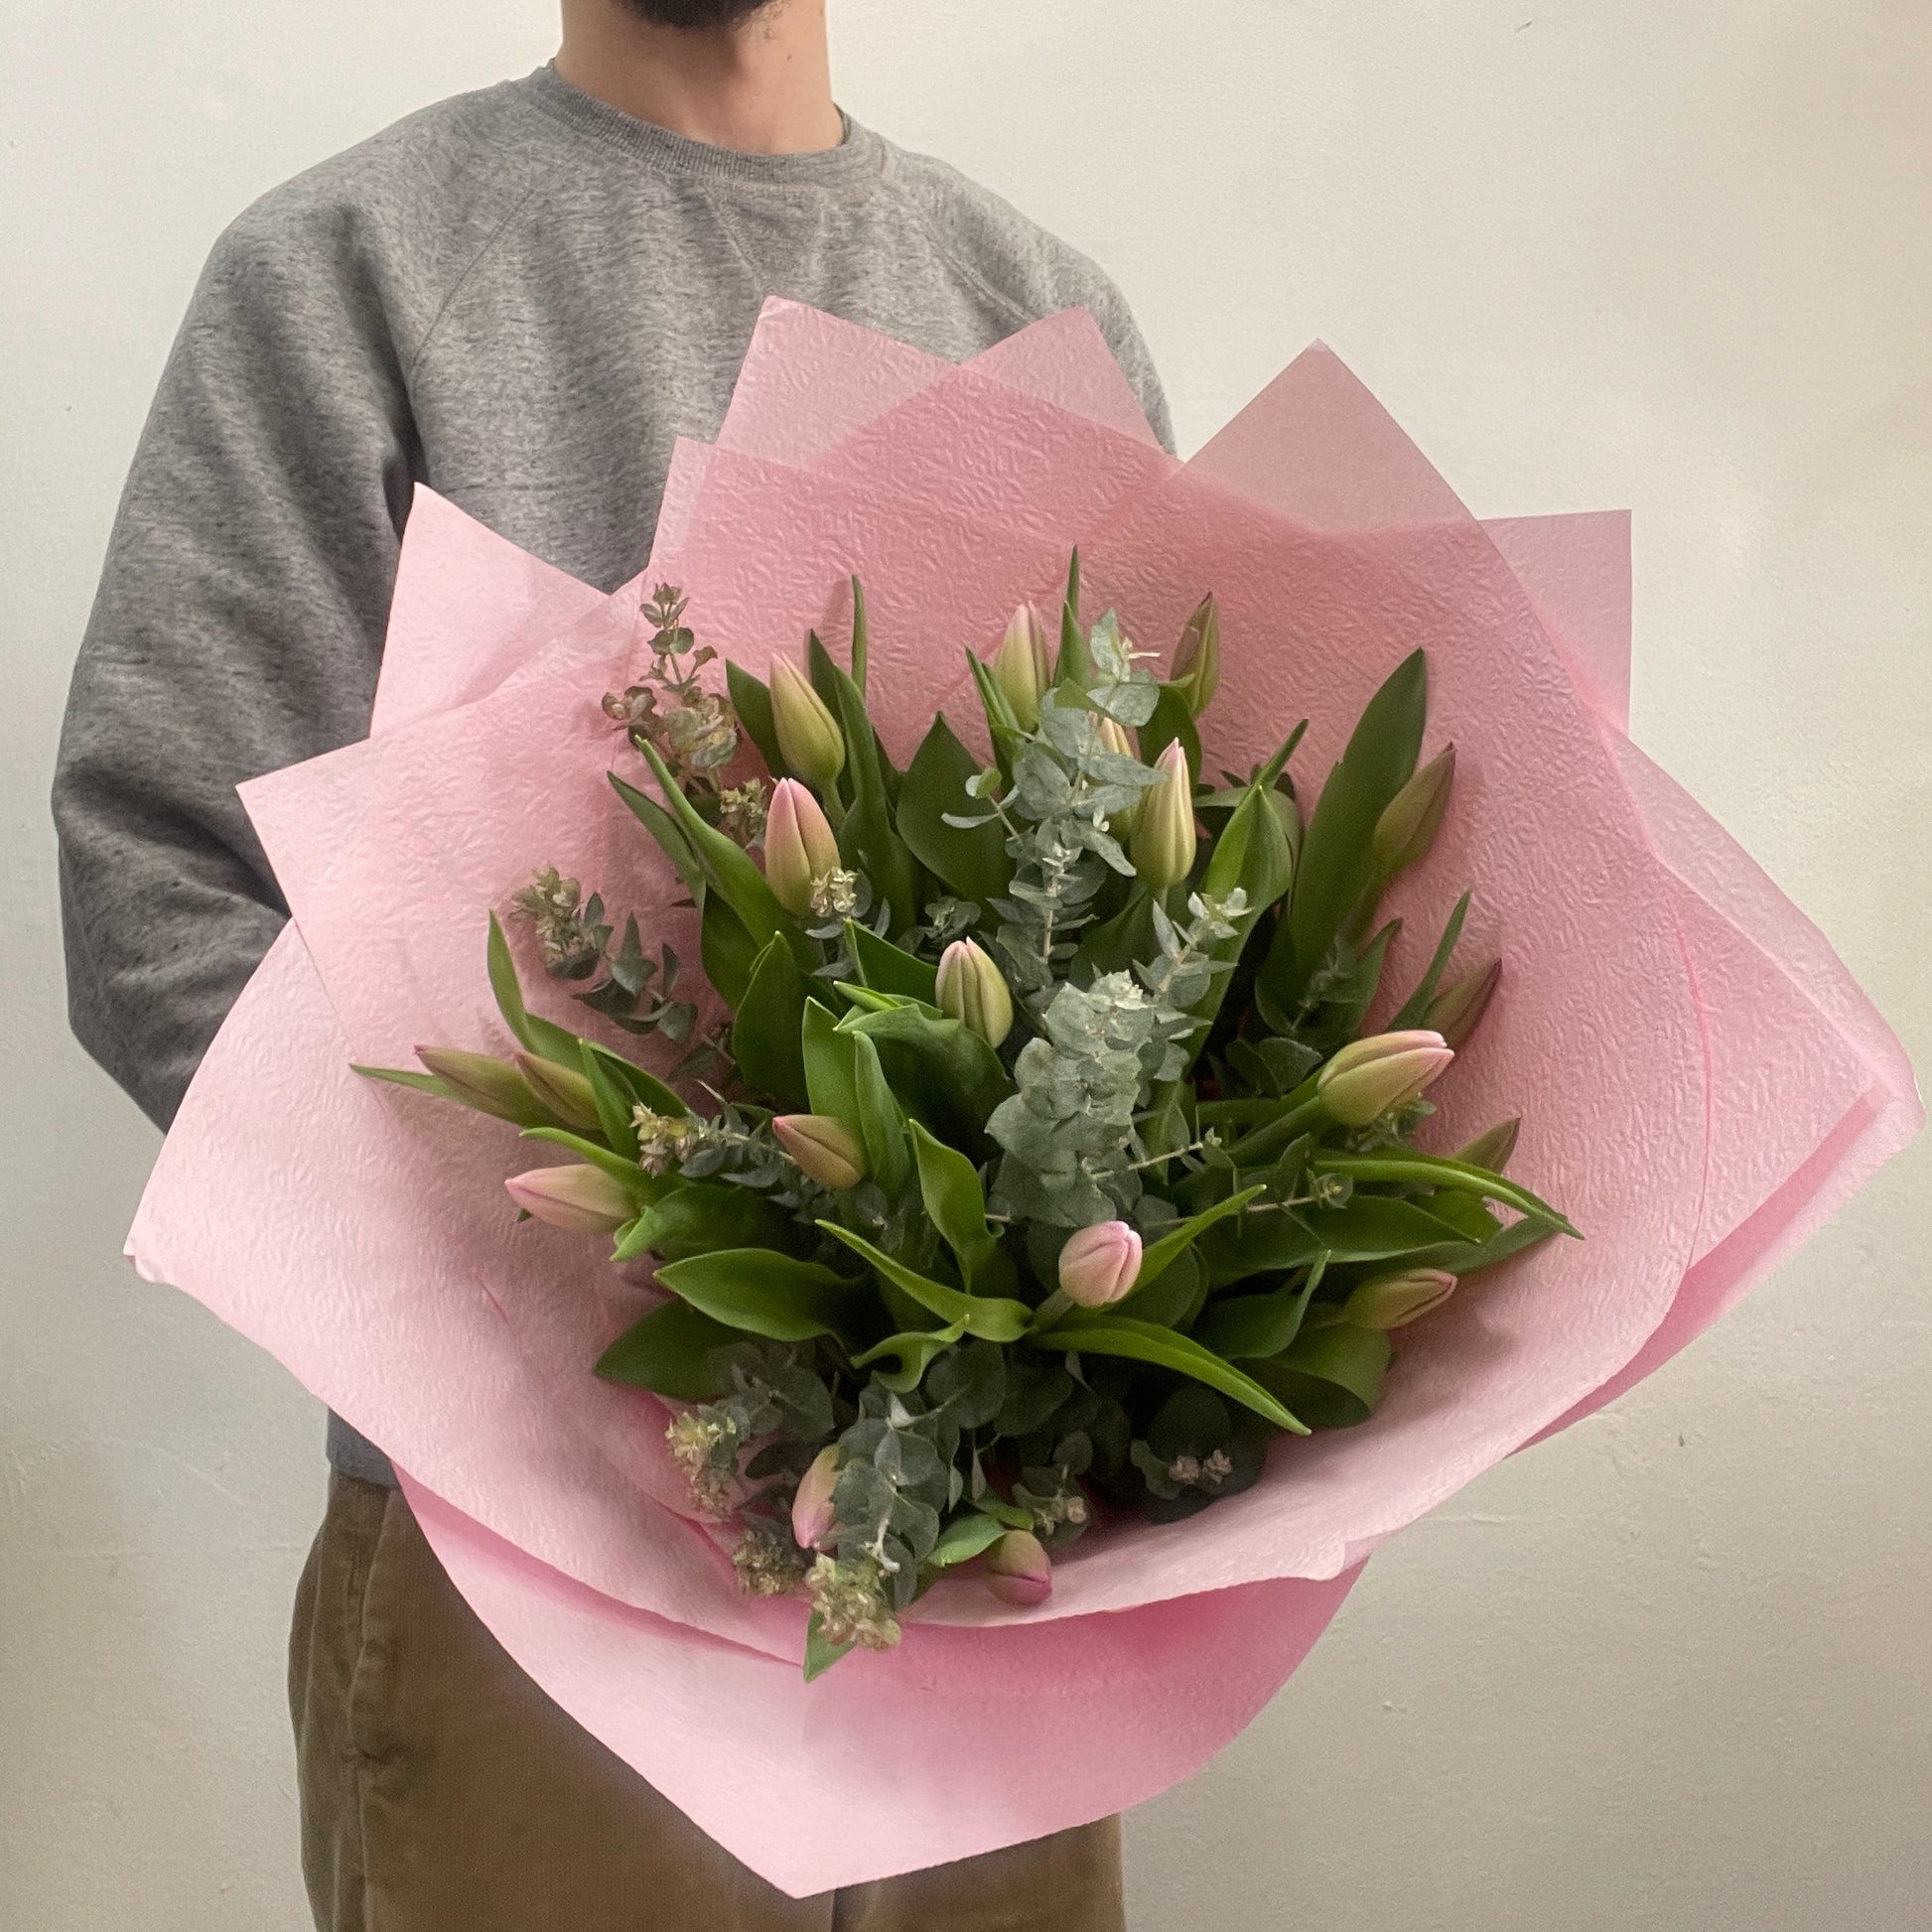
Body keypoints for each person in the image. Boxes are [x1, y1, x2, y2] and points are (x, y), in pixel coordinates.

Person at [52, 1, 1169, 1926]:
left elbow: (1180, 911)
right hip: (526, 1583)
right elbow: (161, 877)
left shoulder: (1035, 309)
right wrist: (559, 1272)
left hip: (992, 1584)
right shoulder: (352, 270)